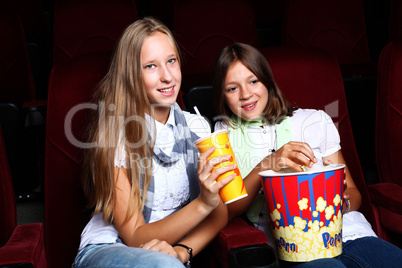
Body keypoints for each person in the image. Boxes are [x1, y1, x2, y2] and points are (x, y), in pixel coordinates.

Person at [212, 43, 402, 267]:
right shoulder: (223, 135)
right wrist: (267, 164)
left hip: (349, 233)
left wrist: (343, 202)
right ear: (222, 96)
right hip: (295, 244)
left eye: (253, 81)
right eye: (232, 88)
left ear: (268, 82)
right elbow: (229, 210)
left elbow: (354, 193)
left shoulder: (313, 120)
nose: (246, 94)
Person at [73, 17, 236, 268]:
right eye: (150, 66)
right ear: (130, 75)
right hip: (111, 248)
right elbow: (134, 237)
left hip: (168, 254)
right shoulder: (116, 136)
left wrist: (183, 251)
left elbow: (220, 213)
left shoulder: (197, 127)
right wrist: (203, 203)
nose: (167, 76)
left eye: (171, 61)